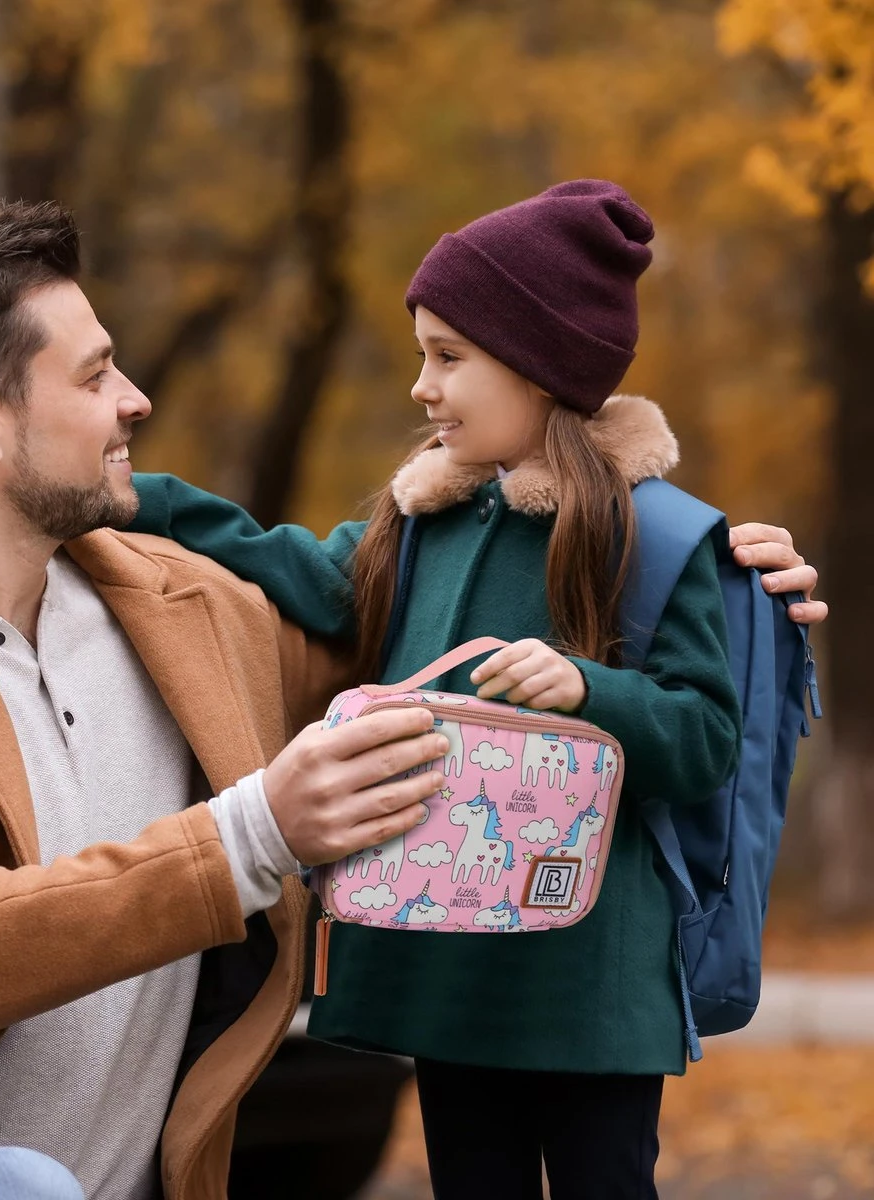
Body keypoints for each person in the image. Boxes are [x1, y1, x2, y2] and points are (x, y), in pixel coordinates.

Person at [0, 199, 453, 1200]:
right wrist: (248, 836)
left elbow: (426, 649)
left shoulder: (191, 610)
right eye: (94, 373)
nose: (135, 399)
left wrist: (697, 568)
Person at [126, 180, 827, 1199]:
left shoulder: (657, 537)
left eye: (449, 357)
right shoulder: (419, 529)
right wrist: (132, 499)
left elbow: (704, 738)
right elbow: (290, 564)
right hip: (449, 967)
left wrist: (588, 692)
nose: (423, 386)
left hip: (593, 982)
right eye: (422, 354)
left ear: (542, 368)